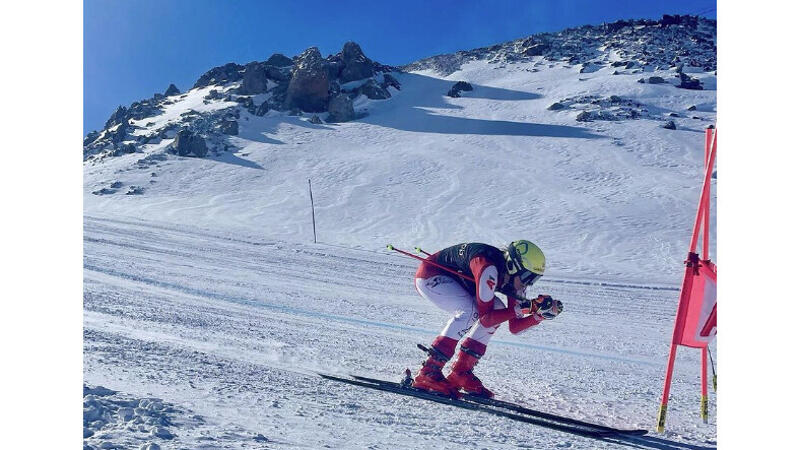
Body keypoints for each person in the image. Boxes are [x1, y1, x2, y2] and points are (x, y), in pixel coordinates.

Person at [412, 240, 563, 398]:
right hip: (431, 276)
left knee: (498, 308)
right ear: (512, 266)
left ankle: (460, 373)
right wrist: (527, 308)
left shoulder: (516, 279)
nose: (527, 283)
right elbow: (486, 319)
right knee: (470, 311)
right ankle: (428, 372)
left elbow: (515, 327)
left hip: (458, 280)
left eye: (533, 279)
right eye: (527, 276)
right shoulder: (488, 268)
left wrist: (539, 315)